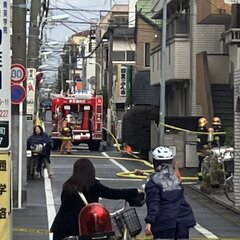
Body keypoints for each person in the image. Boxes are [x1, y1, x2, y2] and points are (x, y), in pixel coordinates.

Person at [50, 158, 144, 240]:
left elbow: (65, 204)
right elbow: (112, 193)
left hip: (62, 226)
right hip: (83, 226)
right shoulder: (93, 185)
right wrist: (134, 191)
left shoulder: (68, 185)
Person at [144, 146, 196, 240]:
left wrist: (149, 222)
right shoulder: (175, 179)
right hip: (183, 218)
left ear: (155, 162)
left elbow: (154, 203)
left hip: (165, 221)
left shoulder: (154, 182)